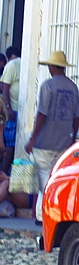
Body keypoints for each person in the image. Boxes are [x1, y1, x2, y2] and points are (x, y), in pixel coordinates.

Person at [25, 50, 79, 223]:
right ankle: (55, 213)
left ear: (52, 67)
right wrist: (72, 139)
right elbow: (77, 116)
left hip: (45, 142)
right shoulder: (73, 87)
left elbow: (41, 114)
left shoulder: (47, 86)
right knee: (57, 178)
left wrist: (32, 138)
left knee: (44, 179)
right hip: (63, 142)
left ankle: (43, 216)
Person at [1, 46, 20, 175]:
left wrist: (8, 108)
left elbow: (4, 87)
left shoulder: (11, 65)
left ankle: (3, 174)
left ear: (7, 57)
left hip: (13, 112)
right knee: (12, 145)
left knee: (8, 145)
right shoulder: (24, 63)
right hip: (19, 111)